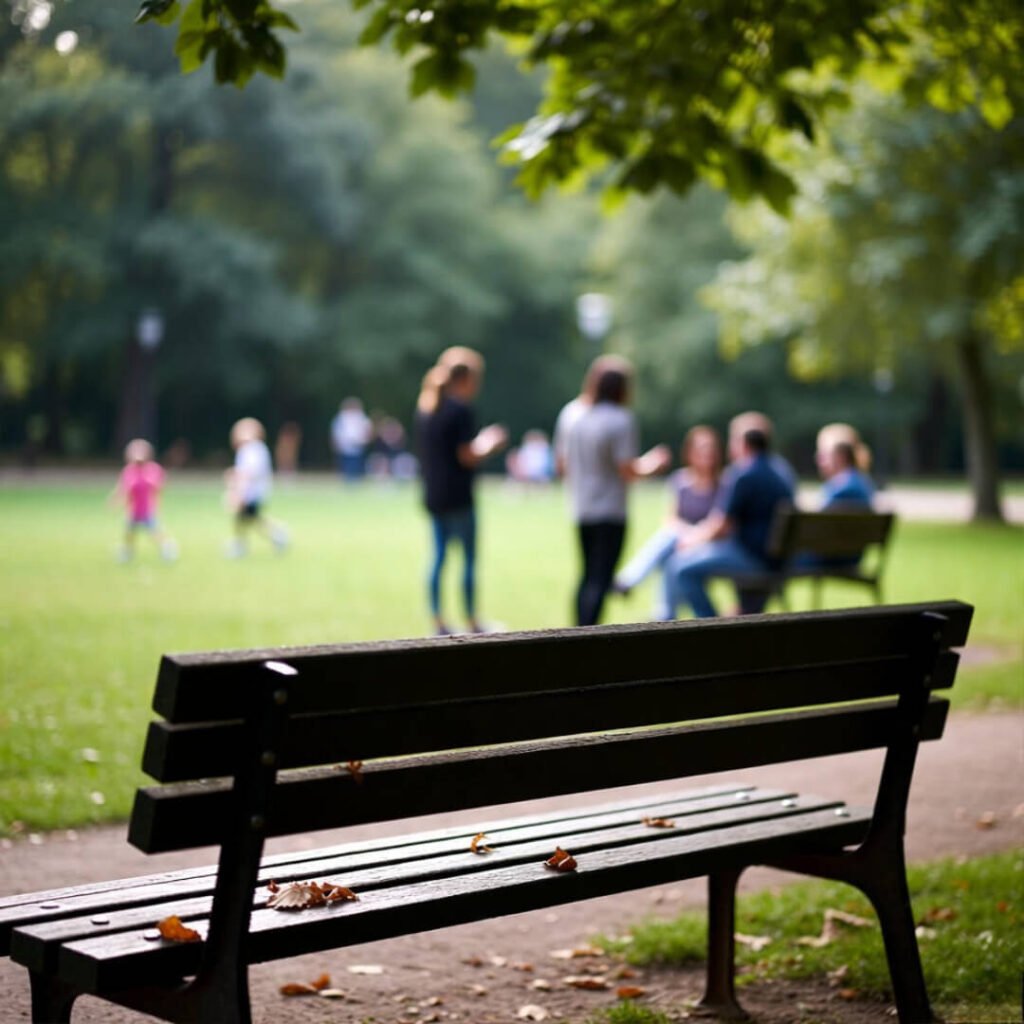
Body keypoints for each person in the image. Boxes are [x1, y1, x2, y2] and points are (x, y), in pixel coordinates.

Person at [554, 355, 671, 627]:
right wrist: (654, 463)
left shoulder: (572, 414)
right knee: (602, 577)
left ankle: (577, 631)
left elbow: (561, 465)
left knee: (587, 575)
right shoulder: (620, 420)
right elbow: (628, 470)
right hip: (610, 509)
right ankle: (588, 633)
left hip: (580, 506)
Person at [415, 347, 508, 636]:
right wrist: (490, 443)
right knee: (468, 559)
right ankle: (472, 621)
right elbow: (466, 455)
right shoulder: (460, 410)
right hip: (458, 496)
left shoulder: (426, 408)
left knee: (438, 557)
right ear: (466, 379)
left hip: (433, 495)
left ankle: (438, 622)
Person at [664, 414, 795, 619]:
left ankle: (711, 625)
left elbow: (722, 524)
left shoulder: (743, 474)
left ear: (743, 443)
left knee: (681, 568)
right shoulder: (780, 473)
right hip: (776, 559)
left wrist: (693, 539)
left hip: (753, 558)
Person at [613, 425, 724, 616]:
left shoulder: (724, 484)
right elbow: (671, 519)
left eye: (711, 450)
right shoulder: (680, 481)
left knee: (672, 550)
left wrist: (693, 537)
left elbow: (720, 522)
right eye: (702, 450)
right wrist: (686, 535)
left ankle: (634, 585)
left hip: (709, 544)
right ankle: (660, 611)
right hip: (680, 540)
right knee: (671, 545)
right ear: (690, 453)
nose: (707, 455)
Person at [224, 417, 289, 557]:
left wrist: (238, 493)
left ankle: (276, 534)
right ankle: (275, 534)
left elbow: (248, 473)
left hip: (251, 493)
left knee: (248, 519)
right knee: (248, 519)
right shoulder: (257, 449)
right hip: (256, 492)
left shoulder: (250, 450)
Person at [110, 438, 177, 562]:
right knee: (129, 534)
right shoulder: (129, 471)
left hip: (148, 510)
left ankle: (167, 549)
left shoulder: (153, 469)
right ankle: (127, 552)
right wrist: (116, 501)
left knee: (155, 532)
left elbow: (160, 486)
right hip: (133, 510)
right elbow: (122, 489)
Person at [815, 423, 874, 509]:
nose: (818, 460)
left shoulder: (840, 489)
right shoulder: (864, 483)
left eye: (823, 455)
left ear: (841, 456)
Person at [330, 398, 373, 481]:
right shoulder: (341, 417)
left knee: (356, 464)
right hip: (345, 445)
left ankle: (355, 479)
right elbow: (336, 432)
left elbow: (367, 430)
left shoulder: (361, 417)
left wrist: (365, 440)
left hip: (358, 445)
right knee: (346, 464)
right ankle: (348, 479)